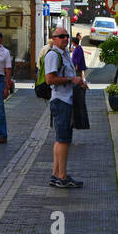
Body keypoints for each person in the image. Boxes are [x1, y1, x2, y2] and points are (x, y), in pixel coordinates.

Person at [46, 25, 88, 188]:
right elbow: (50, 79)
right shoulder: (53, 55)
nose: (65, 39)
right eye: (61, 36)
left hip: (66, 99)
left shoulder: (64, 54)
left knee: (60, 139)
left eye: (67, 36)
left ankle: (56, 174)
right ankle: (62, 176)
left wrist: (78, 82)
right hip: (61, 100)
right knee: (64, 140)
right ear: (54, 38)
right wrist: (72, 80)